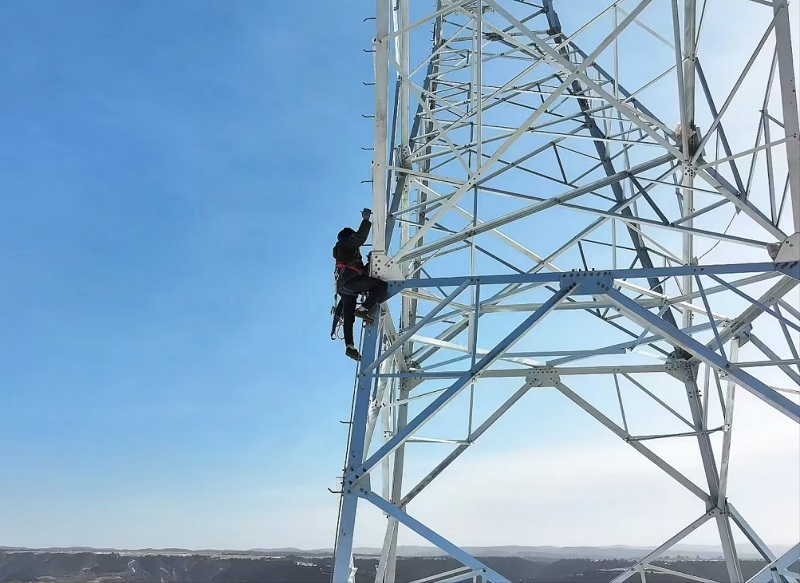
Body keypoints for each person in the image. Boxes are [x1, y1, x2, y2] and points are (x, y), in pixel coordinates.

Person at [333, 208, 389, 361]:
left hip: (345, 287)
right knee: (381, 286)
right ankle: (363, 309)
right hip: (350, 283)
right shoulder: (345, 244)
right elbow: (359, 238)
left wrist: (370, 262)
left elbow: (361, 271)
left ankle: (349, 346)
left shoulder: (345, 253)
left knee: (348, 316)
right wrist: (365, 220)